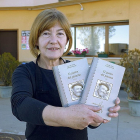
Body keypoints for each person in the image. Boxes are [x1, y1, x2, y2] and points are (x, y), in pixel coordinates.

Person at [11, 9, 120, 140]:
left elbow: (92, 123)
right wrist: (67, 116)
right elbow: (20, 105)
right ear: (36, 40)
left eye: (60, 34)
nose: (53, 40)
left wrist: (101, 111)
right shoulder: (25, 71)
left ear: (67, 40)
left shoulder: (80, 70)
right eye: (46, 33)